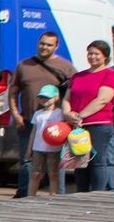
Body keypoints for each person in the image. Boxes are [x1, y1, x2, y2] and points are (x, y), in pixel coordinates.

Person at [11, 31, 76, 198]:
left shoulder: (66, 66)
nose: (44, 47)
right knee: (27, 161)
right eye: (42, 43)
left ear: (56, 46)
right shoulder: (23, 65)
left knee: (56, 163)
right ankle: (24, 195)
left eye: (49, 44)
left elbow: (74, 92)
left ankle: (58, 195)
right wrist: (16, 115)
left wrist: (68, 115)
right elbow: (13, 92)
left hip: (56, 124)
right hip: (28, 121)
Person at [64, 40, 114, 193]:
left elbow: (102, 99)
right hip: (78, 126)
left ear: (105, 57)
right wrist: (68, 113)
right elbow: (66, 99)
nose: (92, 57)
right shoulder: (78, 76)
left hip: (99, 124)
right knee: (79, 160)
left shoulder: (111, 75)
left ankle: (97, 193)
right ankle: (81, 191)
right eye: (90, 53)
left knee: (97, 160)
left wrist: (80, 115)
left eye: (96, 54)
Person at [27, 84, 69, 198]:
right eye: (42, 97)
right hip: (38, 148)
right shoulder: (38, 114)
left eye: (48, 97)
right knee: (36, 173)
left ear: (56, 98)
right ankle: (30, 196)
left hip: (54, 148)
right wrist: (29, 148)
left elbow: (64, 129)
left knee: (53, 173)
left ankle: (53, 196)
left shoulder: (60, 113)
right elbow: (33, 132)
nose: (44, 100)